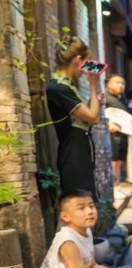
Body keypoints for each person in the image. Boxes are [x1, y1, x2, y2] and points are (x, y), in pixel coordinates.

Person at [45, 36, 103, 199]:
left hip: (78, 151)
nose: (87, 68)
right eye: (87, 61)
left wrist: (96, 101)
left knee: (83, 201)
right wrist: (93, 84)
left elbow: (91, 116)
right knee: (79, 202)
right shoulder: (59, 89)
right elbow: (94, 118)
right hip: (73, 154)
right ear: (78, 60)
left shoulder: (66, 87)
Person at [105, 74, 129, 188]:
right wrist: (108, 124)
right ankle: (113, 186)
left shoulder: (123, 99)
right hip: (111, 135)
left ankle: (117, 185)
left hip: (123, 133)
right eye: (117, 82)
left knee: (120, 160)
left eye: (122, 83)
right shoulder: (105, 97)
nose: (120, 85)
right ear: (109, 84)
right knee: (113, 160)